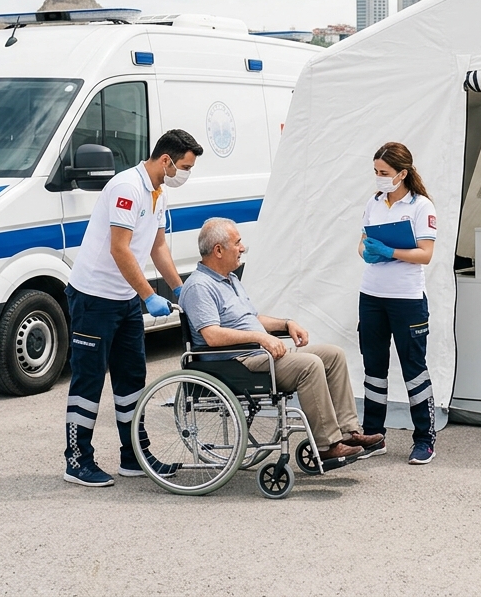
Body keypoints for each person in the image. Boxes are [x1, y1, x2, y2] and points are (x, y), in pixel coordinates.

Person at [62, 129, 203, 487]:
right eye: (185, 166)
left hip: (123, 299)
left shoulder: (158, 193)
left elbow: (158, 249)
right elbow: (120, 249)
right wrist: (147, 295)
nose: (186, 174)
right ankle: (77, 461)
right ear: (166, 160)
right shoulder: (127, 187)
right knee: (89, 380)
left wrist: (180, 289)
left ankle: (134, 456)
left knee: (132, 379)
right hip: (94, 297)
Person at [180, 217, 383, 463]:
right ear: (218, 250)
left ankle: (348, 432)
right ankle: (327, 444)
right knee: (310, 365)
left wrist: (286, 324)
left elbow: (252, 318)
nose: (243, 248)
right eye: (238, 242)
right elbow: (211, 335)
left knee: (333, 354)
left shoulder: (230, 280)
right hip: (236, 363)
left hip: (256, 354)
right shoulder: (199, 286)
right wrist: (260, 338)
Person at [358, 142, 438, 464]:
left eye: (384, 173)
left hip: (406, 300)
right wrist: (369, 251)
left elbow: (426, 254)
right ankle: (374, 436)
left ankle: (424, 439)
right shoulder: (373, 203)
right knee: (374, 369)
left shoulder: (421, 207)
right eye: (376, 172)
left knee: (413, 370)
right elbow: (361, 246)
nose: (379, 178)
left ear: (402, 173)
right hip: (372, 296)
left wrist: (390, 252)